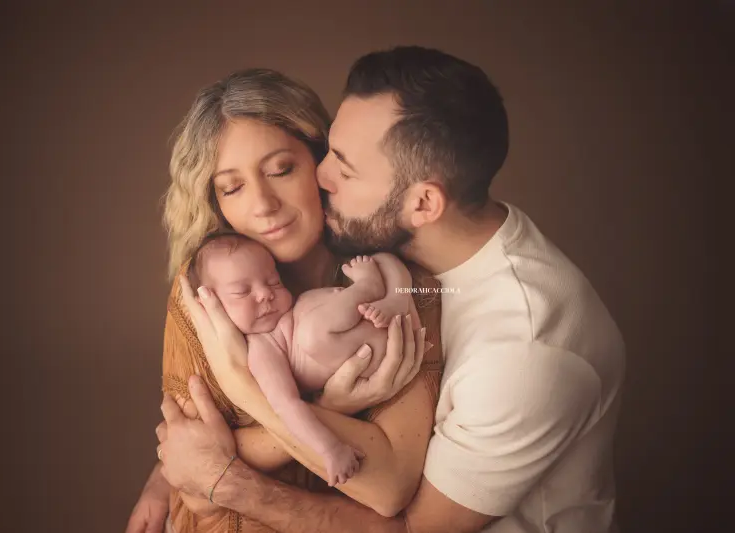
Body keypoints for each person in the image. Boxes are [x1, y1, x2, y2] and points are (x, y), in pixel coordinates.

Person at [156, 46, 627, 533]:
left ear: (423, 203)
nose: (321, 176)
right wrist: (172, 467)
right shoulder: (397, 260)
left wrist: (227, 464)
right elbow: (186, 434)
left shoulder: (524, 349)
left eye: (341, 166)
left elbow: (414, 526)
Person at [125, 67, 442, 533]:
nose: (263, 204)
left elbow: (389, 486)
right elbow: (186, 466)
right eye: (231, 187)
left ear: (324, 166)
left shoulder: (403, 287)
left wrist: (242, 395)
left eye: (280, 170)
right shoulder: (204, 293)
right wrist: (334, 408)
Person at [186, 232, 418, 486]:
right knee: (311, 336)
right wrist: (330, 449)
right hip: (372, 352)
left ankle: (396, 297)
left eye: (274, 282)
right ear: (211, 303)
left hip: (383, 316)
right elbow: (287, 406)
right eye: (242, 292)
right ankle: (367, 287)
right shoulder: (262, 348)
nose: (265, 294)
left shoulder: (294, 308)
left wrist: (394, 298)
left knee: (383, 259)